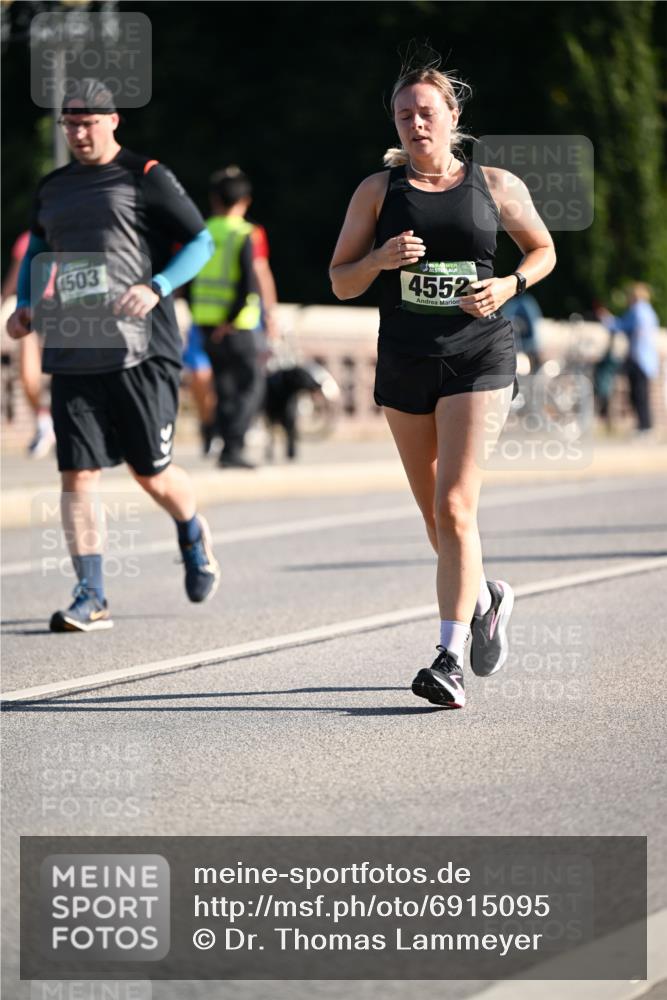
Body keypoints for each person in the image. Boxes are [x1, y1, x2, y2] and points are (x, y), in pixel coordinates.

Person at [330, 61, 556, 708]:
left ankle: (448, 659)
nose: (415, 122)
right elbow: (340, 280)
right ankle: (486, 596)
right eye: (404, 114)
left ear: (453, 117)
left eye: (427, 111)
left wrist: (509, 284)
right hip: (404, 357)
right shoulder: (377, 190)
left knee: (455, 506)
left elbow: (542, 250)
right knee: (435, 516)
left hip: (477, 354)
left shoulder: (493, 183)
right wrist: (376, 260)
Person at [6, 79, 220, 632]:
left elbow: (201, 241)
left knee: (151, 474)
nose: (78, 132)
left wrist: (158, 285)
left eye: (88, 121)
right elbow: (38, 251)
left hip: (142, 350)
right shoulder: (52, 187)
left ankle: (192, 530)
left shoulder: (144, 176)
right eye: (69, 123)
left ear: (113, 119)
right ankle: (91, 592)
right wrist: (26, 305)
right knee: (77, 474)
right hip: (75, 350)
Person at [190, 167, 276, 468]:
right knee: (251, 385)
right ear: (246, 201)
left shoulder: (200, 231)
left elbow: (188, 275)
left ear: (214, 198)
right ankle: (234, 445)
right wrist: (267, 315)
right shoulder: (246, 234)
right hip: (237, 324)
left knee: (224, 388)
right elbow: (252, 279)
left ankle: (225, 446)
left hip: (205, 321)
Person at [1, 230, 56, 457]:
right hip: (37, 309)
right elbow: (16, 277)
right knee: (28, 369)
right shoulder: (29, 238)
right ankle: (45, 423)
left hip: (70, 311)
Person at [595, 283, 660, 434]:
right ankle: (646, 426)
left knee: (638, 394)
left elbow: (621, 326)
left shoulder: (637, 310)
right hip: (648, 358)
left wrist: (606, 319)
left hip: (639, 358)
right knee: (642, 394)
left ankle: (644, 428)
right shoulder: (649, 311)